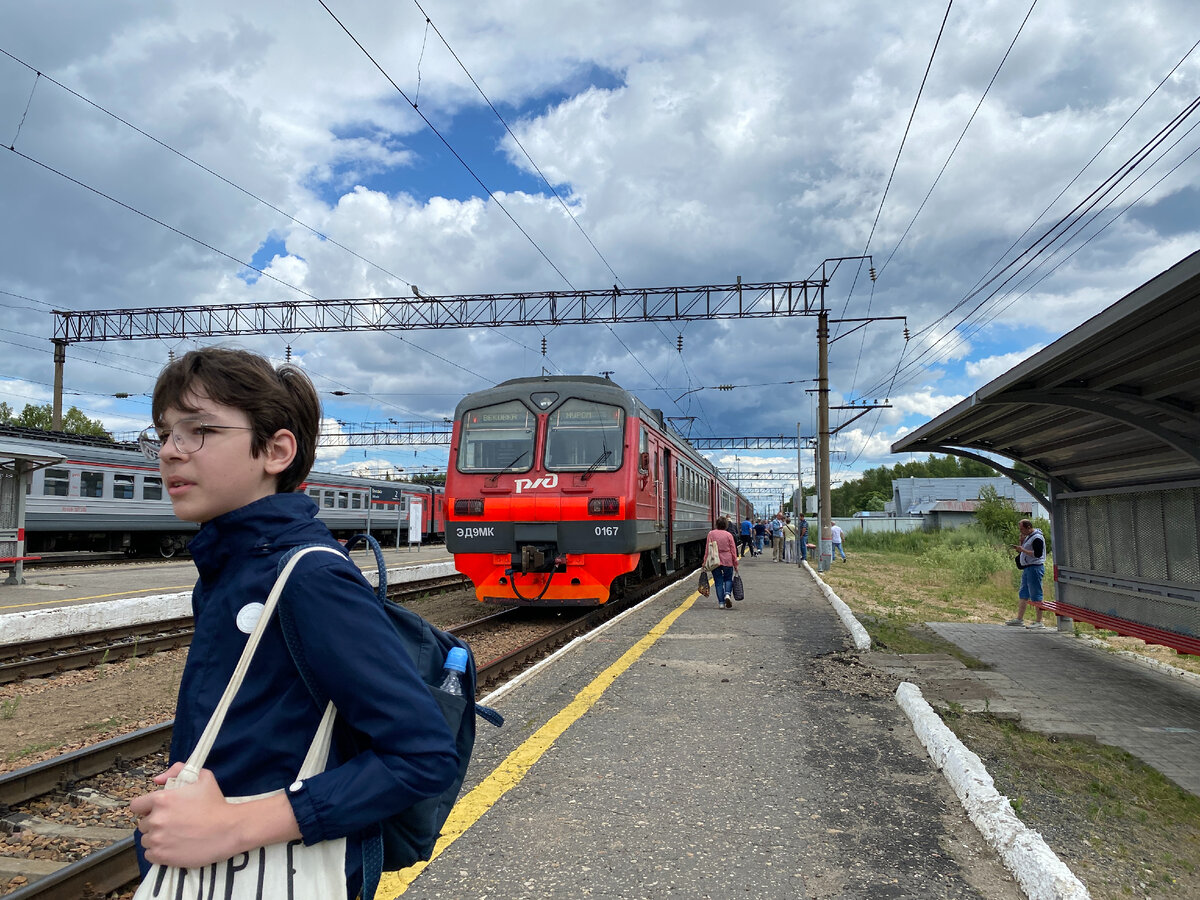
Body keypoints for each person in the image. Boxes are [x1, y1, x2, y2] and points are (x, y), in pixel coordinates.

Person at [129, 348, 459, 898]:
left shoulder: (307, 577)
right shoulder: (229, 570)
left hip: (278, 871)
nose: (169, 452)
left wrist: (232, 825)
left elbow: (423, 756)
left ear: (276, 450)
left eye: (198, 430)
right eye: (164, 433)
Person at [1006, 518, 1049, 629]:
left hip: (1035, 568)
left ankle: (1039, 621)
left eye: (1022, 529)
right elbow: (1024, 550)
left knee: (1036, 594)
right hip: (1027, 568)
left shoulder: (1037, 538)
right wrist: (1021, 544)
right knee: (1023, 593)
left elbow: (1037, 554)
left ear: (1028, 527)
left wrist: (1023, 550)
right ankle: (1019, 619)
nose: (1021, 531)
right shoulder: (1028, 537)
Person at [705, 516, 740, 609]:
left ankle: (721, 603)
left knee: (718, 581)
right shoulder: (729, 535)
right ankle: (727, 594)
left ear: (716, 524)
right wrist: (735, 563)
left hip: (715, 560)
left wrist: (704, 562)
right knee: (728, 579)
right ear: (726, 525)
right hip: (727, 560)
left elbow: (707, 549)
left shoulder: (711, 534)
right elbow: (733, 550)